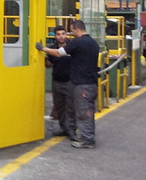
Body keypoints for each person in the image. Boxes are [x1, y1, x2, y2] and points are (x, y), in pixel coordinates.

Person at [36, 19, 100, 148]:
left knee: (83, 112)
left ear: (77, 29)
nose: (71, 34)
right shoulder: (93, 43)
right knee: (87, 111)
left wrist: (43, 48)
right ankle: (86, 136)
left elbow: (59, 53)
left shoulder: (77, 42)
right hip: (91, 82)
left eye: (71, 31)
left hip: (82, 84)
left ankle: (87, 140)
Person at [44, 25, 75, 139]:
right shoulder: (52, 49)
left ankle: (72, 130)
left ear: (66, 34)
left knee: (71, 107)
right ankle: (64, 129)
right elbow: (49, 65)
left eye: (63, 34)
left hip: (70, 81)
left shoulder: (72, 46)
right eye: (58, 34)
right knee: (59, 107)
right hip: (57, 81)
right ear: (55, 36)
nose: (61, 36)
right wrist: (44, 59)